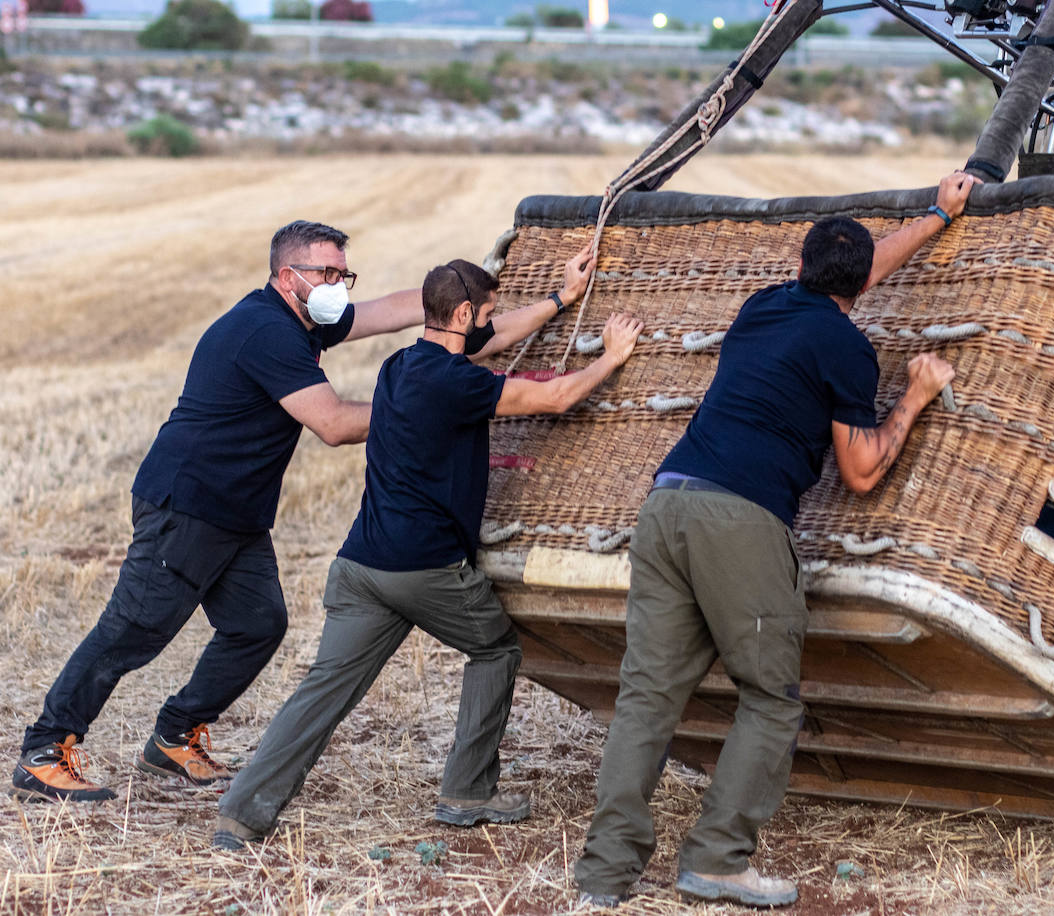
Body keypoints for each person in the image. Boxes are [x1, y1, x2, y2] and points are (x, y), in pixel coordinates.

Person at [574, 171, 980, 909]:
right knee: (770, 698)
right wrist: (916, 395)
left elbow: (856, 271)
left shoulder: (761, 307)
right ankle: (718, 859)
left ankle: (603, 878)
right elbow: (859, 471)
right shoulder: (850, 350)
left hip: (667, 504)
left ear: (799, 269)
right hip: (742, 519)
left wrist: (931, 217)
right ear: (856, 290)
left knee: (647, 697)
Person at [210, 253, 644, 849]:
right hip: (426, 570)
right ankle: (467, 791)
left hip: (361, 564)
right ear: (464, 312)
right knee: (495, 649)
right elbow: (558, 398)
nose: (491, 324)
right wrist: (611, 357)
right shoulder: (461, 384)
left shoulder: (398, 368)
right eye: (486, 314)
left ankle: (241, 813)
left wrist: (561, 300)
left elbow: (478, 347)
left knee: (321, 692)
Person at [16, 220, 447, 802]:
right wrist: (427, 402)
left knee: (257, 624)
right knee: (134, 629)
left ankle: (174, 737)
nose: (338, 287)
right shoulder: (265, 330)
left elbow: (394, 310)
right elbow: (336, 424)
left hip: (237, 513)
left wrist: (467, 300)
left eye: (344, 275)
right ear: (286, 276)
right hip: (189, 503)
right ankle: (44, 750)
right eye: (326, 274)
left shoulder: (305, 318)